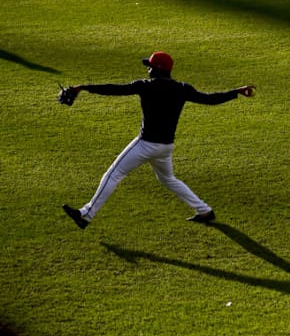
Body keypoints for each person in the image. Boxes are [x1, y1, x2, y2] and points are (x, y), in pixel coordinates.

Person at [62, 51, 255, 230]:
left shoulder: (146, 86)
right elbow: (210, 99)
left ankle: (85, 215)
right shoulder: (182, 88)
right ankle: (204, 211)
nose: (147, 69)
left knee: (113, 175)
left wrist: (84, 88)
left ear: (156, 69)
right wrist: (236, 91)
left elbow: (115, 90)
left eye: (150, 66)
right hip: (165, 147)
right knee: (168, 179)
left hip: (145, 145)